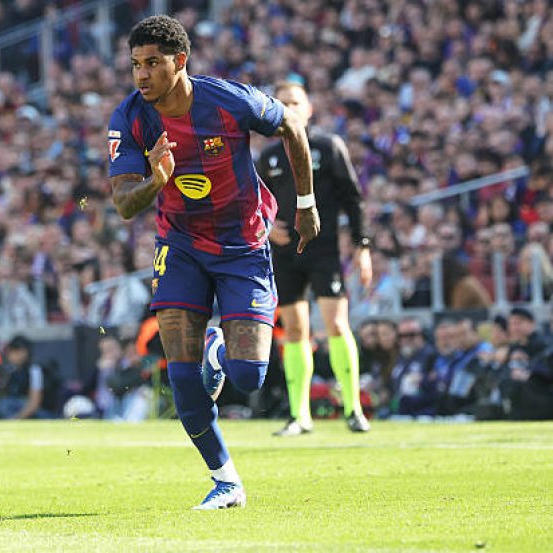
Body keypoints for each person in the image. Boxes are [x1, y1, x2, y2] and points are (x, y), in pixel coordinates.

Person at [108, 16, 318, 509]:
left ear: (180, 61)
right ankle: (226, 480)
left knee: (249, 376)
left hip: (242, 244)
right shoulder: (130, 117)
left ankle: (218, 353)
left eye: (153, 63)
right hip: (179, 246)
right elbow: (123, 204)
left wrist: (306, 203)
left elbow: (291, 126)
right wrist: (157, 181)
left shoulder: (228, 100)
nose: (142, 75)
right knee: (181, 377)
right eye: (136, 64)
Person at [255, 81, 372, 436]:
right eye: (283, 103)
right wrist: (267, 226)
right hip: (285, 253)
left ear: (309, 109)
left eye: (295, 102)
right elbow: (255, 203)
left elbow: (353, 197)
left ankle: (353, 408)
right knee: (294, 330)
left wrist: (362, 245)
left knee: (336, 324)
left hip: (323, 250)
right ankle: (299, 415)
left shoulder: (327, 146)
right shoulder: (269, 157)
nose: (290, 108)